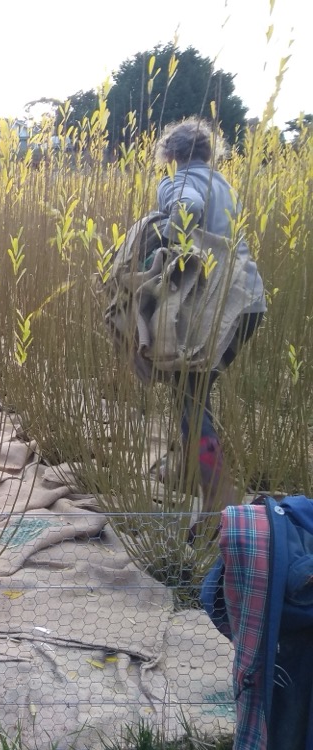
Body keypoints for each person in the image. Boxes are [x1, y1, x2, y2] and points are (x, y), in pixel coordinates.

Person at [153, 117, 266, 530]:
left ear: (172, 155)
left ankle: (219, 507)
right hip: (249, 301)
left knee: (191, 398)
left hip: (214, 308)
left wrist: (159, 237)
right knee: (198, 392)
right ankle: (187, 471)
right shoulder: (225, 184)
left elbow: (188, 209)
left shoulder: (177, 180)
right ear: (208, 152)